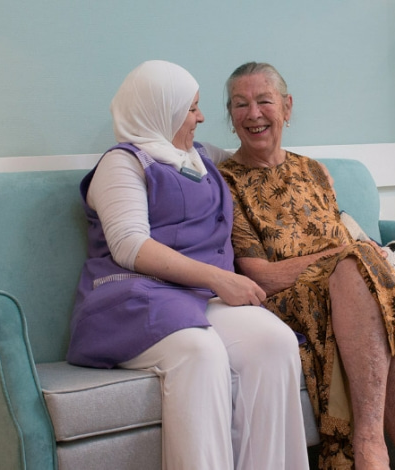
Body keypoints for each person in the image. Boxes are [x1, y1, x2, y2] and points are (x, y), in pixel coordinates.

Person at [66, 60, 310, 470]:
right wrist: (221, 278)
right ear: (160, 111)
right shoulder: (122, 164)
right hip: (132, 297)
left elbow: (255, 157)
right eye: (191, 108)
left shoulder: (200, 157)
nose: (200, 117)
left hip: (195, 299)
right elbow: (130, 246)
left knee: (275, 341)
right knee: (202, 352)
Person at [218, 61, 395, 470]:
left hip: (359, 290)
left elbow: (348, 246)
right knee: (358, 267)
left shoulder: (314, 170)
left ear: (288, 107)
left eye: (264, 101)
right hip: (294, 299)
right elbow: (259, 274)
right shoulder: (226, 181)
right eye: (240, 105)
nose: (253, 114)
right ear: (230, 116)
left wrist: (365, 254)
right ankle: (369, 445)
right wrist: (347, 257)